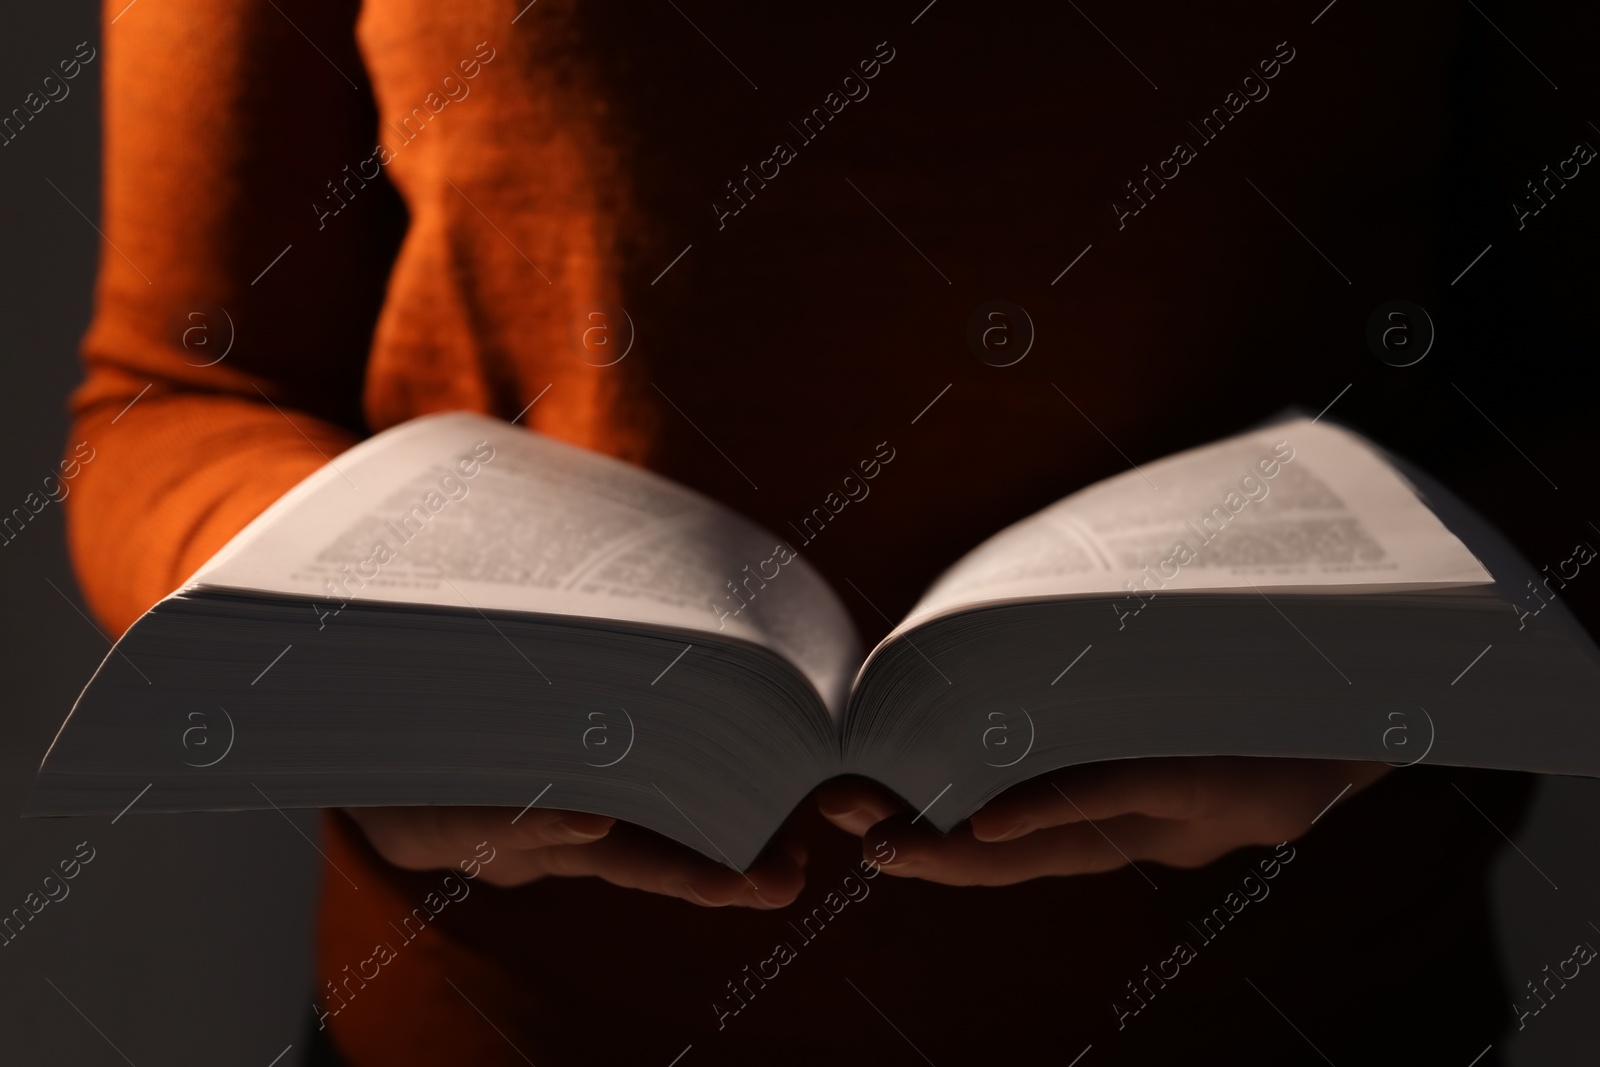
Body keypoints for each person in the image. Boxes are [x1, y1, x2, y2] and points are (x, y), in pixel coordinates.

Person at [67, 1, 1539, 1062]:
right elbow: (179, 393)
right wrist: (358, 687)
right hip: (498, 1023)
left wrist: (1361, 694)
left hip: (1298, 1002)